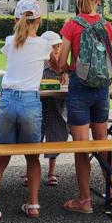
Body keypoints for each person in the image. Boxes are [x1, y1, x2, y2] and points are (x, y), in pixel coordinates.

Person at [0, 0, 51, 223]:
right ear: (38, 20)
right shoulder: (44, 44)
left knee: (1, 157)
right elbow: (53, 64)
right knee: (32, 157)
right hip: (30, 100)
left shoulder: (10, 42)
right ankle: (33, 204)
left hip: (8, 100)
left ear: (15, 19)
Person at [57, 0, 112, 215]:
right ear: (98, 0)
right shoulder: (107, 26)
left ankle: (84, 200)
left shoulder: (71, 26)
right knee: (102, 142)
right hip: (101, 91)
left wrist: (66, 69)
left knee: (82, 147)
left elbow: (61, 59)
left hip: (79, 89)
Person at [40, 30, 70, 186]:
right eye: (53, 47)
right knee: (34, 137)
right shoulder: (39, 66)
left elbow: (68, 87)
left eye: (58, 46)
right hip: (40, 105)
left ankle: (51, 171)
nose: (57, 50)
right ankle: (28, 172)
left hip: (58, 106)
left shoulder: (64, 67)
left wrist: (63, 72)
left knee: (56, 135)